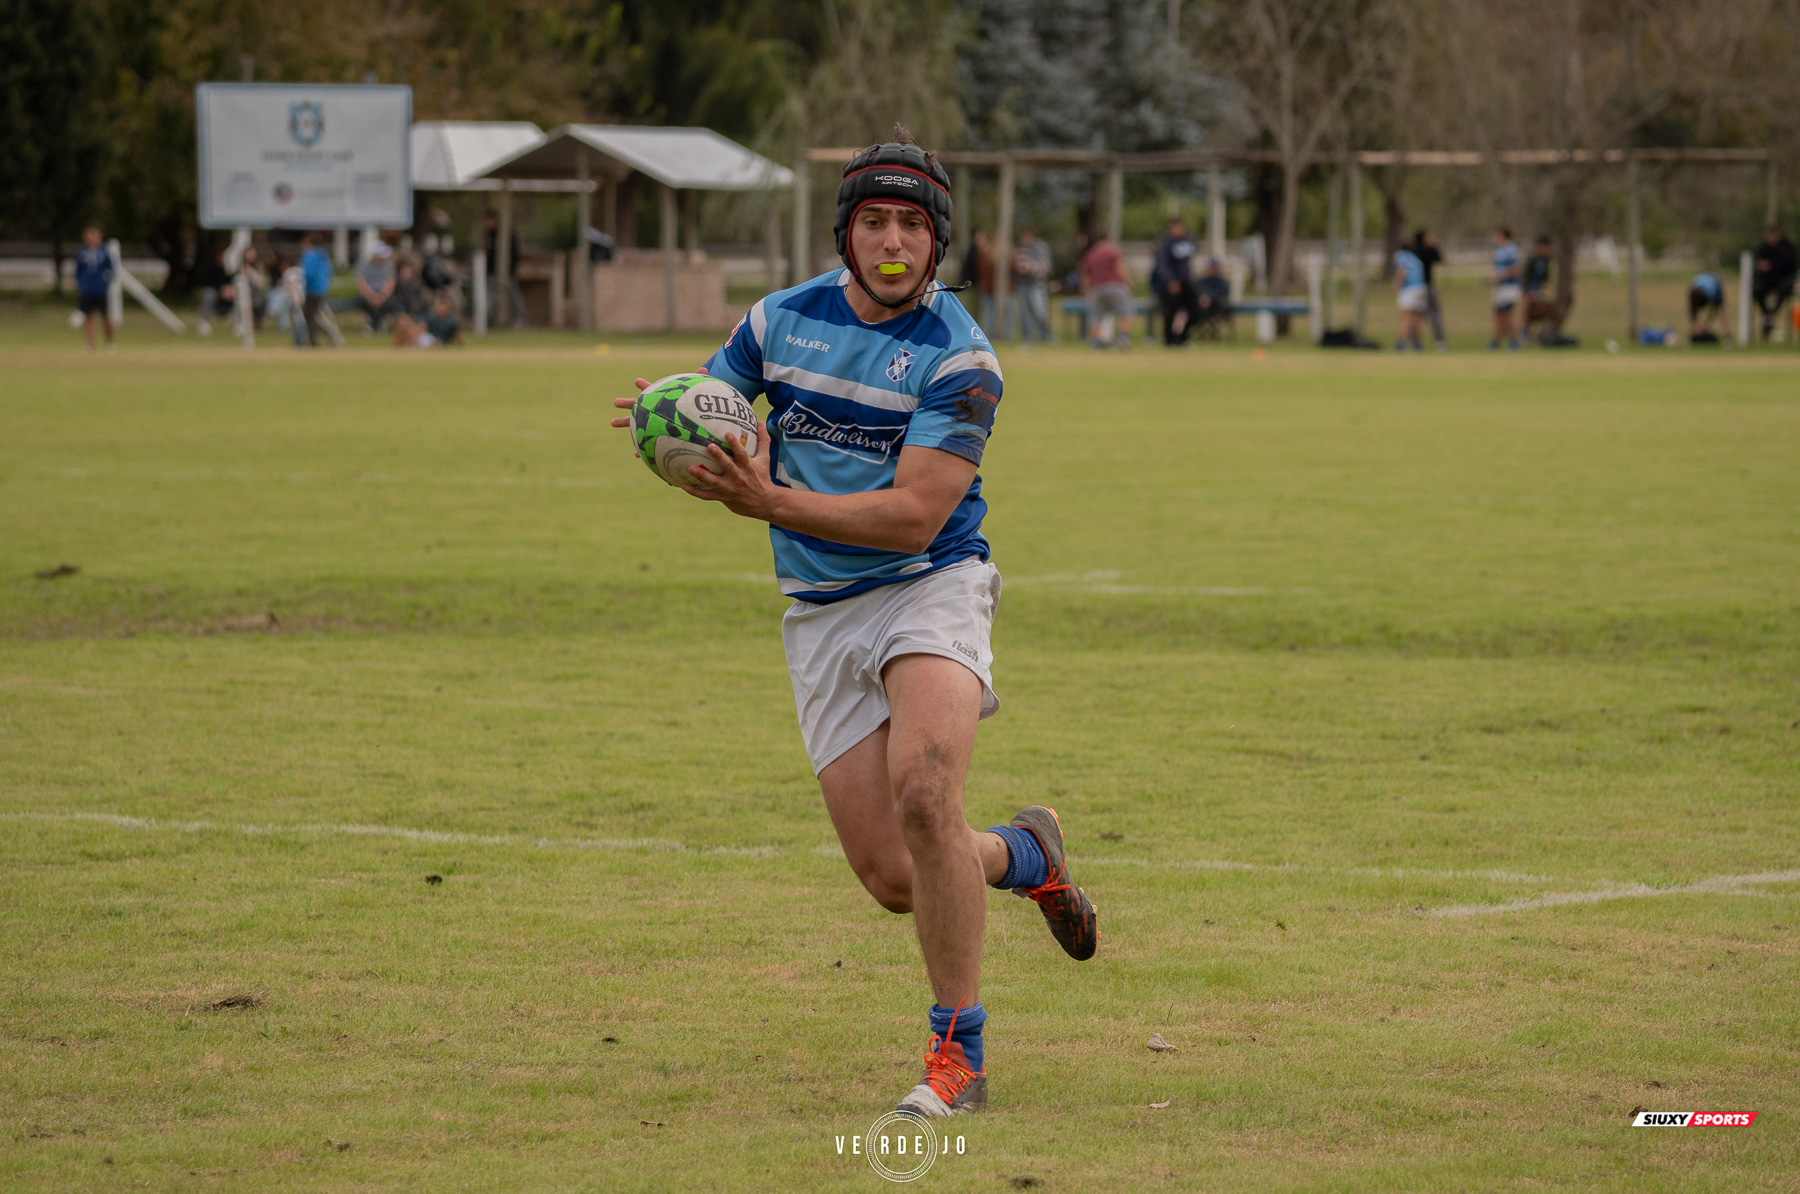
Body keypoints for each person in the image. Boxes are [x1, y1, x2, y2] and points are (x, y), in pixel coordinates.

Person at [608, 126, 1097, 1119]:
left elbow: (914, 512)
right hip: (822, 610)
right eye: (873, 219)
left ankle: (957, 1060)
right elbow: (721, 412)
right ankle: (1026, 855)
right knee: (893, 875)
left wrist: (767, 503)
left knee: (924, 796)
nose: (891, 240)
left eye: (912, 225)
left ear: (937, 243)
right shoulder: (777, 322)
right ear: (845, 231)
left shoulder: (963, 361)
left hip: (929, 580)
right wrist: (680, 429)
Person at [1079, 229, 1134, 349]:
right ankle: (1123, 339)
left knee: (1095, 315)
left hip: (1096, 289)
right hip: (1114, 286)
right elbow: (1120, 269)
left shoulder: (1090, 254)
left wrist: (1085, 291)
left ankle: (1095, 342)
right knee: (1125, 311)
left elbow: (1085, 275)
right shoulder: (1113, 252)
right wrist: (1129, 283)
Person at [1152, 217, 1202, 346]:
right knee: (1170, 311)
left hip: (1186, 281)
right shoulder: (1166, 244)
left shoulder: (1189, 239)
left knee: (1195, 309)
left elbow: (1194, 251)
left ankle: (1183, 337)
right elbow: (1163, 264)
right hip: (1171, 283)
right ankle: (1169, 340)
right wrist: (1170, 280)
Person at [73, 223, 114, 352]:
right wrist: (81, 284)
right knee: (88, 316)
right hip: (87, 290)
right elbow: (78, 271)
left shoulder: (104, 251)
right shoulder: (82, 252)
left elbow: (111, 269)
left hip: (100, 289)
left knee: (105, 316)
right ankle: (90, 343)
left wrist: (106, 283)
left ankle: (109, 343)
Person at [1752, 224, 1797, 340]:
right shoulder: (1763, 248)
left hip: (1783, 279)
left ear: (1778, 234)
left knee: (1785, 288)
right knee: (1757, 288)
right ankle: (1767, 314)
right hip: (1768, 279)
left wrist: (1771, 266)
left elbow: (1790, 265)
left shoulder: (1787, 247)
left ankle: (1772, 314)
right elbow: (1758, 263)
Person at [1011, 228, 1054, 343]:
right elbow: (1016, 265)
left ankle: (1046, 336)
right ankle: (1027, 337)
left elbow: (1046, 267)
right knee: (1025, 313)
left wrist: (1030, 267)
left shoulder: (1040, 248)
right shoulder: (1019, 249)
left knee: (1040, 311)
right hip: (1022, 284)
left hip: (1036, 284)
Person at [1488, 226, 1522, 351]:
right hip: (1500, 287)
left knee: (1507, 314)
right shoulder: (1498, 250)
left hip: (1510, 286)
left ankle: (1514, 341)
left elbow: (1516, 268)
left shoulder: (1511, 249)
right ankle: (1496, 340)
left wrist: (1500, 276)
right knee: (1498, 314)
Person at [1412, 229, 1447, 350]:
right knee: (1432, 313)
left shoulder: (1414, 251)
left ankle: (1416, 342)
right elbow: (1440, 257)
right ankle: (1438, 341)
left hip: (1416, 287)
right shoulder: (1425, 251)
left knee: (1417, 314)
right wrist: (1434, 245)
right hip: (1424, 286)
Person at [299, 233, 335, 347]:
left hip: (312, 288)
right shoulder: (323, 255)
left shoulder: (309, 255)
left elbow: (308, 273)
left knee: (309, 315)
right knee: (314, 314)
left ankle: (314, 340)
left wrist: (301, 279)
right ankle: (328, 333)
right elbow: (329, 272)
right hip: (322, 288)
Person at [392, 291, 462, 348]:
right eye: (440, 305)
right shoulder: (431, 317)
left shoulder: (451, 322)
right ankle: (398, 348)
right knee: (403, 320)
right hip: (426, 338)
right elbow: (422, 328)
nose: (441, 308)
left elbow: (456, 338)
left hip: (436, 343)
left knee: (427, 340)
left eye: (443, 305)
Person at [1392, 242, 1427, 351]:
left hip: (1409, 289)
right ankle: (1417, 344)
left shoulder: (1401, 256)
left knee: (1404, 316)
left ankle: (1401, 343)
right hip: (1421, 288)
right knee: (1417, 318)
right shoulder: (1416, 258)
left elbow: (1401, 271)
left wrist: (1396, 285)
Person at [355, 242, 397, 333]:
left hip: (383, 295)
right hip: (368, 295)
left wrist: (382, 296)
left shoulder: (388, 265)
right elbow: (361, 283)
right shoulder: (364, 264)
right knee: (362, 301)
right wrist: (371, 296)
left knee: (390, 302)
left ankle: (376, 323)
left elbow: (390, 283)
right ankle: (374, 323)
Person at [1520, 236, 1556, 342]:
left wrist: (1547, 288)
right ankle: (1525, 335)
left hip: (1538, 291)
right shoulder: (1532, 259)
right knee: (1526, 313)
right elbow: (1525, 277)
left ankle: (1542, 335)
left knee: (1545, 312)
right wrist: (1527, 292)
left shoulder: (1545, 260)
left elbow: (1545, 278)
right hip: (1529, 291)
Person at [195, 247, 235, 336]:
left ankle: (238, 323)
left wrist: (230, 289)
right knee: (208, 295)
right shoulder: (209, 265)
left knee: (240, 295)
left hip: (228, 292)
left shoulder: (230, 267)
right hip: (214, 290)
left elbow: (232, 280)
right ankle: (203, 322)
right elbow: (206, 282)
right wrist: (220, 289)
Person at [962, 229, 996, 332]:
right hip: (973, 286)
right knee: (976, 311)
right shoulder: (975, 252)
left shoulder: (979, 251)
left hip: (979, 286)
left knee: (982, 311)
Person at [1193, 256, 1230, 337]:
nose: (1212, 269)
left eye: (1214, 267)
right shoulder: (1202, 280)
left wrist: (1209, 298)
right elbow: (1197, 290)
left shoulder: (1222, 282)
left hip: (1216, 307)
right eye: (1210, 267)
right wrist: (1203, 298)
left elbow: (1221, 294)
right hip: (1200, 306)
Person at [1687, 269, 1725, 340]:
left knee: (1721, 310)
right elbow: (1692, 310)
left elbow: (1713, 308)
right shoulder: (1692, 292)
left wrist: (1707, 322)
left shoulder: (1709, 291)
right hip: (1703, 282)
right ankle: (1693, 333)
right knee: (1693, 314)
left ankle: (1727, 335)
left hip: (1715, 284)